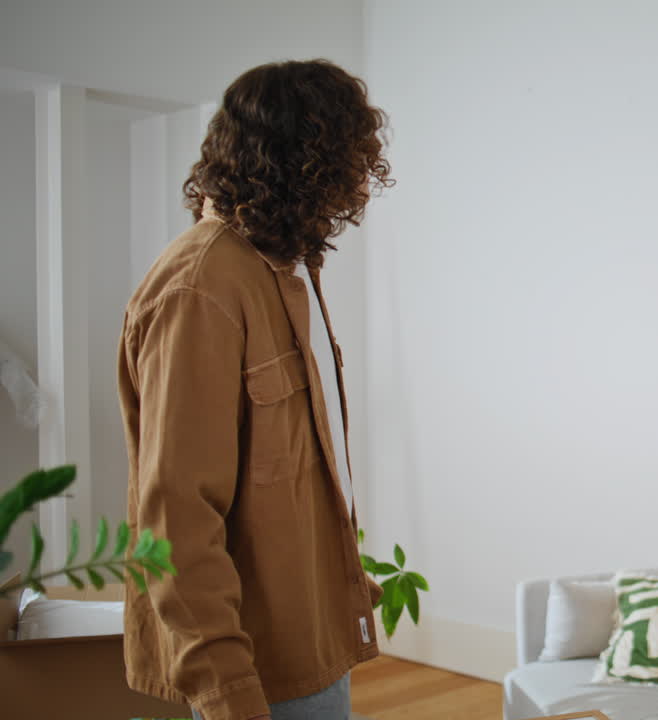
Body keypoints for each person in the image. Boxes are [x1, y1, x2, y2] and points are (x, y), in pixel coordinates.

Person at [117, 60, 394, 720]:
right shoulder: (202, 287)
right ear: (305, 161)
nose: (360, 179)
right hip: (252, 665)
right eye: (348, 158)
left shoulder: (289, 269)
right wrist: (226, 692)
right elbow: (176, 519)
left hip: (309, 632)